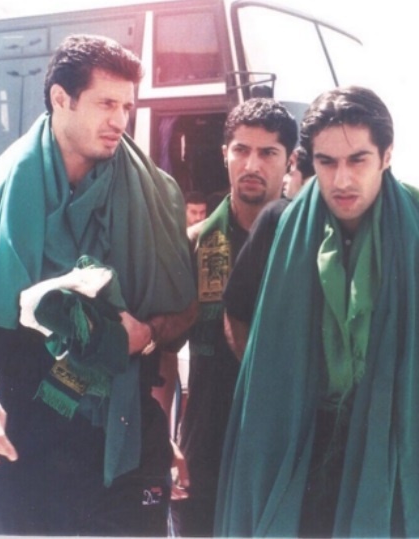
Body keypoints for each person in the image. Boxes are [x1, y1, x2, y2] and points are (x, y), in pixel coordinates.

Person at [216, 86, 419, 538]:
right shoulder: (279, 226)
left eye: (358, 160)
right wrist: (271, 383)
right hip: (303, 445)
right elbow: (235, 311)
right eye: (327, 162)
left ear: (386, 156)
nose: (342, 180)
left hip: (400, 442)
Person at [0, 34, 197, 536]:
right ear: (60, 98)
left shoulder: (155, 192)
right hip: (26, 433)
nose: (120, 120)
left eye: (127, 106)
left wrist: (146, 336)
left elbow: (184, 311)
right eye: (106, 104)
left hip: (124, 430)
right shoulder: (4, 188)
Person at [172, 97, 297, 537]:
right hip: (207, 449)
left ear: (290, 160)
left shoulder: (315, 247)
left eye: (268, 153)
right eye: (241, 150)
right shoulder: (193, 244)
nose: (252, 164)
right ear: (225, 154)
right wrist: (166, 441)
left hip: (290, 448)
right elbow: (165, 354)